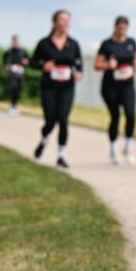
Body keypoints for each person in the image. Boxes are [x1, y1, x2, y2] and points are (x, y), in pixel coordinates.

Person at [29, 10, 83, 168]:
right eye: (62, 20)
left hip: (67, 87)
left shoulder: (73, 44)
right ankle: (44, 140)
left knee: (63, 120)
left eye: (68, 20)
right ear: (55, 22)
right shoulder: (44, 43)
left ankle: (61, 155)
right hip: (49, 87)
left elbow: (78, 63)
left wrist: (79, 72)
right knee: (50, 120)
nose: (66, 23)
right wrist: (43, 66)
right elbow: (33, 62)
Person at [95, 16, 136, 165]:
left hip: (127, 85)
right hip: (110, 86)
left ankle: (128, 148)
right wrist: (109, 65)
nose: (122, 31)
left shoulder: (131, 43)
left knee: (130, 114)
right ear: (115, 27)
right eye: (119, 28)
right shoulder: (107, 44)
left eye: (124, 28)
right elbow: (97, 65)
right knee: (115, 116)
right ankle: (113, 150)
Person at [3, 35, 30, 115]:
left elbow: (28, 59)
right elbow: (4, 58)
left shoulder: (23, 51)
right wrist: (6, 65)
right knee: (13, 87)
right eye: (14, 41)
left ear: (19, 41)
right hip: (13, 71)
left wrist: (26, 62)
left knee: (19, 89)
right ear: (12, 42)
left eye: (16, 41)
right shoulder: (9, 51)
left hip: (20, 72)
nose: (15, 42)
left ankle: (15, 106)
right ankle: (12, 106)